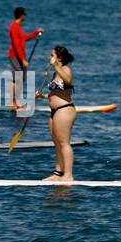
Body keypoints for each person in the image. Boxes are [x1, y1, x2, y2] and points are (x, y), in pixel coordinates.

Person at [37, 45, 77, 181]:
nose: (50, 58)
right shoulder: (55, 72)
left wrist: (56, 66)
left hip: (65, 110)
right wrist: (42, 96)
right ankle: (58, 173)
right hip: (54, 111)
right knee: (57, 143)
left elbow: (68, 81)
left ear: (59, 58)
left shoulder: (65, 70)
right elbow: (56, 93)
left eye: (52, 55)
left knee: (64, 143)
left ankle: (68, 175)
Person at [7, 7, 44, 110]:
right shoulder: (14, 27)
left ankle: (16, 102)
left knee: (21, 78)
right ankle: (14, 103)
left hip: (20, 56)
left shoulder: (18, 26)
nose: (26, 16)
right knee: (18, 77)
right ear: (22, 15)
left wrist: (36, 32)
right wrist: (23, 59)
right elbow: (16, 45)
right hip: (15, 56)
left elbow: (24, 39)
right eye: (25, 14)